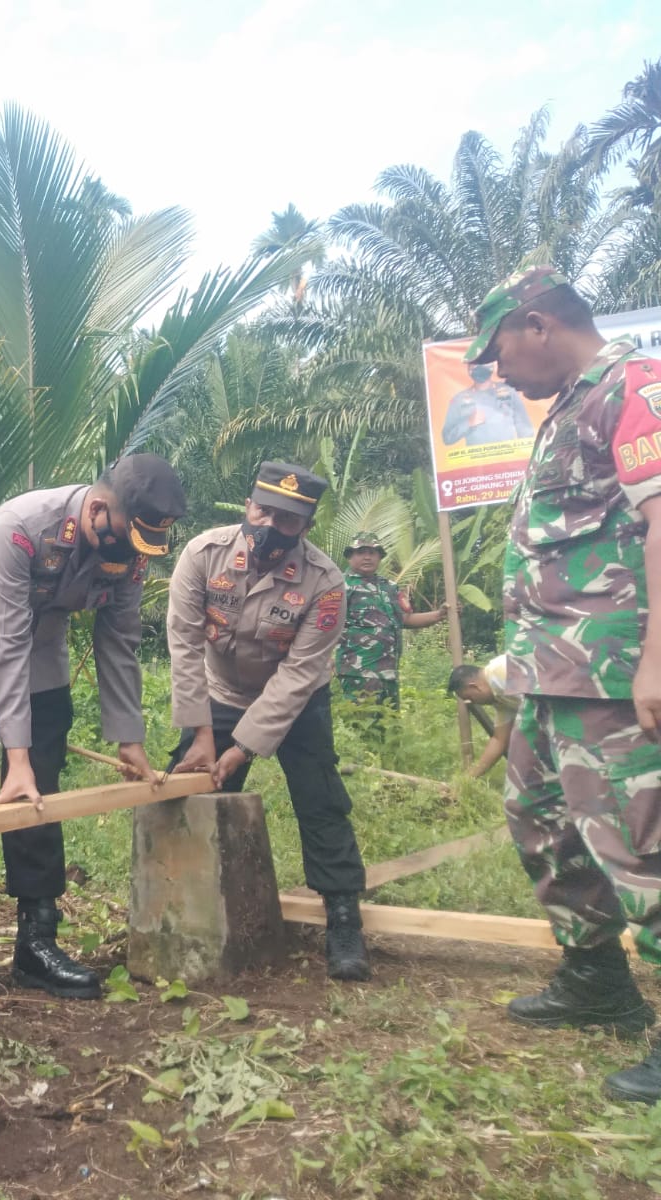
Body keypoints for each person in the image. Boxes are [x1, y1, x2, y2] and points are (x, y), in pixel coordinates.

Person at [465, 266, 661, 1097]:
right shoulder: (569, 410)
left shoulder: (634, 385)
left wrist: (659, 654)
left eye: (500, 350)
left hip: (614, 675)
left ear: (537, 323)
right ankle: (597, 985)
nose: (498, 371)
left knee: (638, 846)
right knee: (543, 826)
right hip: (555, 679)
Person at [0, 454, 185, 1001]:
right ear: (97, 510)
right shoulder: (20, 528)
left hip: (42, 648)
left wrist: (130, 740)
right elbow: (5, 643)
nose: (131, 557)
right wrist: (12, 758)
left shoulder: (131, 547)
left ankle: (36, 943)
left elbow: (118, 642)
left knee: (41, 788)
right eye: (122, 538)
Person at [167, 462, 371, 981]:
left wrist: (244, 746)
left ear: (306, 525)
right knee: (189, 792)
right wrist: (205, 735)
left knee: (320, 799)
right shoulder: (203, 554)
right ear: (247, 504)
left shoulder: (326, 582)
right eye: (264, 511)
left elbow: (299, 674)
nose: (269, 527)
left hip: (297, 701)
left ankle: (343, 918)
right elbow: (185, 647)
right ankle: (179, 906)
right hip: (220, 692)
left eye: (286, 521)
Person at [334, 532, 447, 709]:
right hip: (358, 673)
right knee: (363, 728)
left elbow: (402, 620)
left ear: (380, 557)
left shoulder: (389, 587)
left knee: (390, 729)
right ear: (350, 556)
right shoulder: (340, 585)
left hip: (388, 673)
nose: (367, 557)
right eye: (361, 552)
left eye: (373, 553)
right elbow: (325, 624)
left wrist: (439, 615)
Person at [447, 656, 517, 777]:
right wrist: (468, 779)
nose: (472, 702)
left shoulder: (502, 672)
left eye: (469, 698)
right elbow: (499, 740)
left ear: (474, 686)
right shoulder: (500, 699)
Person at [441, 362, 533, 446]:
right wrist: (468, 423)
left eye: (484, 361)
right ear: (469, 369)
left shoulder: (509, 392)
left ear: (492, 365)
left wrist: (526, 456)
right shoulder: (459, 400)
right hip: (477, 461)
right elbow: (447, 438)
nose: (480, 366)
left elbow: (525, 429)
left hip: (507, 459)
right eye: (475, 363)